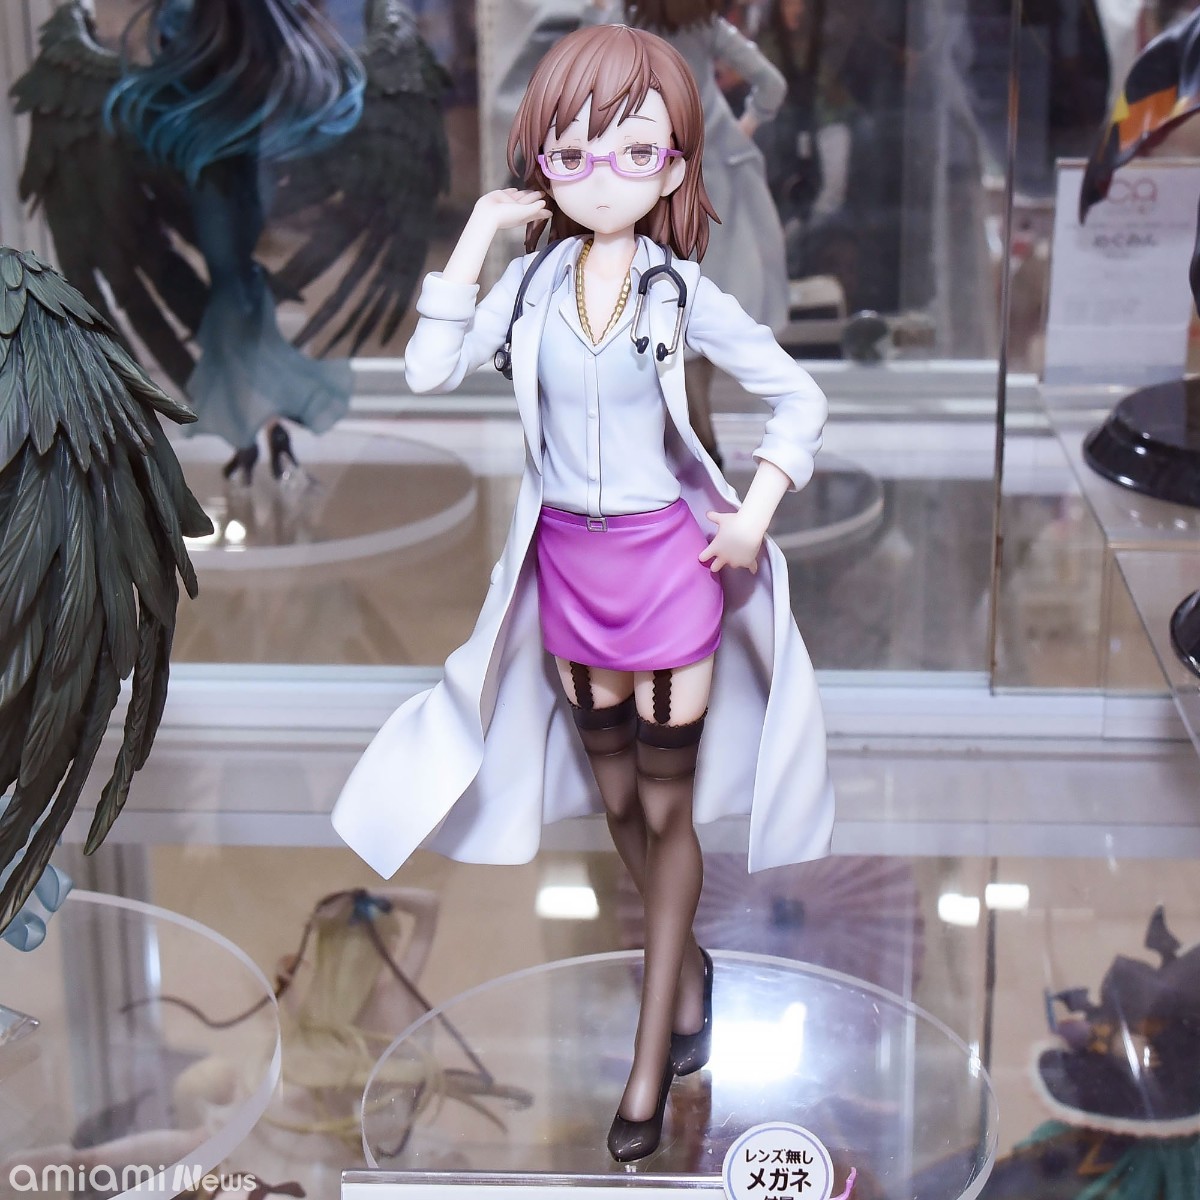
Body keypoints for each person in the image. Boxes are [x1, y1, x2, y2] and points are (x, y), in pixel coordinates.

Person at [332, 23, 833, 1162]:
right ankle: (688, 966)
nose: (603, 176)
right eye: (573, 152)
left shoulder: (680, 290)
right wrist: (476, 233)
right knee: (617, 803)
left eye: (634, 151)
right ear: (541, 161)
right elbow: (426, 368)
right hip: (566, 567)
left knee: (667, 809)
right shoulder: (527, 285)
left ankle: (651, 1059)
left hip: (669, 570)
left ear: (673, 163)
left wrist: (753, 512)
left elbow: (798, 397)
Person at [589, 0, 792, 465]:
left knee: (659, 309)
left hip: (646, 176)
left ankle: (689, 432)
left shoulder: (621, 25)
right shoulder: (707, 28)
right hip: (711, 173)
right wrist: (743, 126)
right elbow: (772, 84)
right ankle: (695, 432)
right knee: (694, 311)